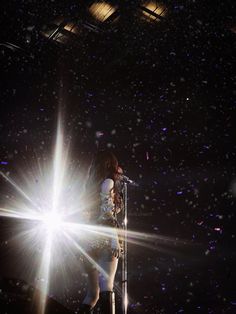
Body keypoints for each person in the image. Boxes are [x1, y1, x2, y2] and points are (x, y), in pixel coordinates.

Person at [78, 150, 124, 314]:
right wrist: (114, 241)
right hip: (105, 238)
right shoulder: (108, 183)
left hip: (87, 241)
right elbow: (108, 216)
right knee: (107, 286)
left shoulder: (88, 186)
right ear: (111, 165)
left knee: (92, 295)